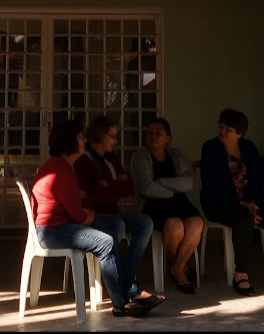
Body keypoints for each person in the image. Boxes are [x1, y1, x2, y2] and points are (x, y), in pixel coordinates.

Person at [31, 120, 163, 318]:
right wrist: (89, 215)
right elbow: (78, 214)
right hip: (52, 231)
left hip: (64, 224)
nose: (84, 141)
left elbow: (122, 188)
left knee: (114, 226)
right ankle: (121, 303)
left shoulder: (65, 166)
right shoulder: (61, 170)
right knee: (106, 242)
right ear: (69, 141)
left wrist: (95, 204)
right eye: (80, 137)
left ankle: (130, 289)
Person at [200, 108, 264, 296]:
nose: (222, 132)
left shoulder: (249, 148)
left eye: (228, 129)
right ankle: (240, 274)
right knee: (243, 220)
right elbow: (212, 186)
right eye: (221, 126)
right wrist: (243, 205)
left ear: (240, 133)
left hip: (250, 202)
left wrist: (254, 203)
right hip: (219, 203)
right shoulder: (210, 148)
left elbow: (261, 179)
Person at [74, 116, 159, 302]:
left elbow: (129, 187)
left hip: (113, 210)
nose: (115, 141)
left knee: (145, 222)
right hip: (93, 215)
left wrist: (108, 185)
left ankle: (124, 277)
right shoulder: (84, 160)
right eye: (112, 136)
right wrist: (113, 186)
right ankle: (126, 284)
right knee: (117, 224)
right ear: (99, 135)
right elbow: (94, 192)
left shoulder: (112, 158)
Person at [130, 118, 203, 294]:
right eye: (150, 133)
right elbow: (146, 188)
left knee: (196, 223)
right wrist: (173, 188)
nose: (153, 136)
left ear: (167, 138)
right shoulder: (140, 157)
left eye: (158, 133)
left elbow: (188, 182)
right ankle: (177, 265)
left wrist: (161, 181)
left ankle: (177, 267)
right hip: (152, 204)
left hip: (180, 202)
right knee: (174, 225)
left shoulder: (176, 156)